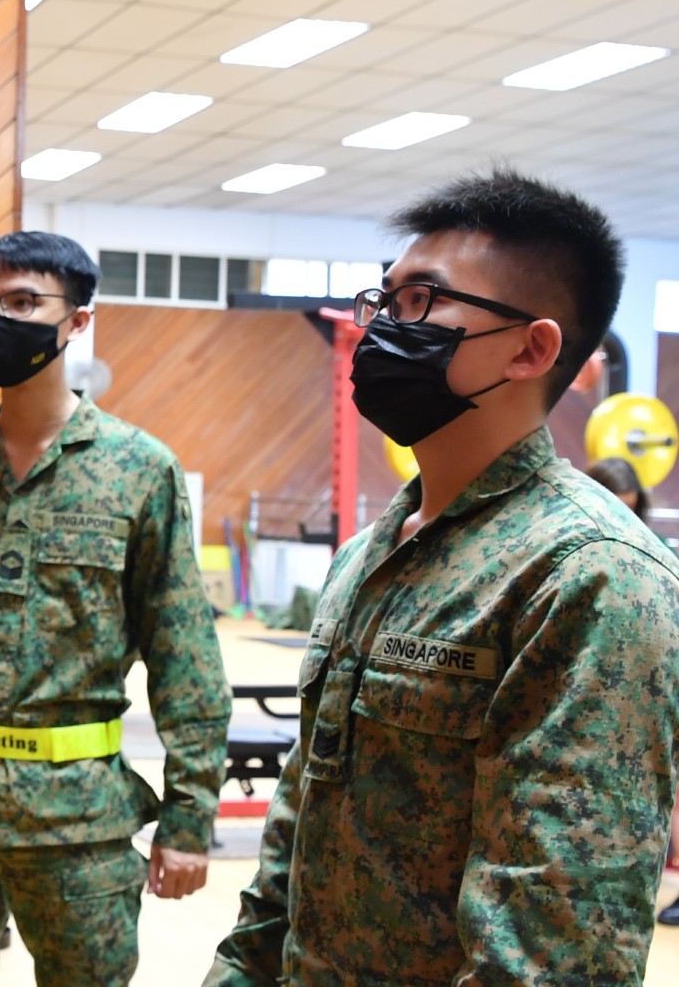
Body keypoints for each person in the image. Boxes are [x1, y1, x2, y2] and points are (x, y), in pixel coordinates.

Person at [207, 170, 679, 985]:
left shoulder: (590, 576)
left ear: (531, 348)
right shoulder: (368, 555)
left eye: (422, 300)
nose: (386, 327)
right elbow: (300, 828)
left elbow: (551, 947)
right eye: (385, 300)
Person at [0, 230, 230, 986]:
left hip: (77, 822)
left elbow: (184, 655)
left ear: (77, 320)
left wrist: (189, 818)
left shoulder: (138, 471)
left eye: (25, 301)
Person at [585, 456, 679, 929]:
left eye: (631, 509)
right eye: (614, 506)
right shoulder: (571, 549)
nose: (623, 518)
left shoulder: (656, 552)